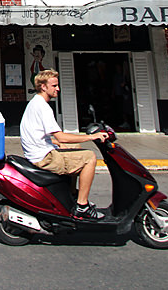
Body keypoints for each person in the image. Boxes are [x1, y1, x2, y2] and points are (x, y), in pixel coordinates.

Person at [20, 69, 109, 221]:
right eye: (54, 86)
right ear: (43, 87)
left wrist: (56, 143)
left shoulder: (35, 102)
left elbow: (40, 135)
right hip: (43, 157)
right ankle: (82, 206)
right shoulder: (43, 107)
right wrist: (91, 137)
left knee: (75, 149)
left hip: (39, 151)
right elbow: (61, 136)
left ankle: (72, 195)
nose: (58, 89)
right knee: (89, 157)